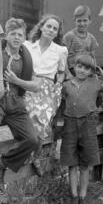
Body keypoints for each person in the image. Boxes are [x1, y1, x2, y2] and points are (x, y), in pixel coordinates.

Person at [0, 18, 41, 192]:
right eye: (13, 34)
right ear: (6, 36)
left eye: (20, 34)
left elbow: (36, 85)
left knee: (32, 139)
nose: (17, 37)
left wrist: (17, 80)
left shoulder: (25, 56)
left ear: (24, 37)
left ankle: (1, 164)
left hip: (16, 101)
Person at [60, 54, 103, 204]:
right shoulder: (67, 85)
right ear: (75, 66)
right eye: (80, 66)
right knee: (72, 164)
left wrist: (102, 73)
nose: (82, 70)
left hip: (88, 124)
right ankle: (73, 197)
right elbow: (62, 101)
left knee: (85, 165)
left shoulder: (95, 83)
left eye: (87, 68)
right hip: (70, 124)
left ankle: (83, 197)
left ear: (91, 71)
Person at [23, 14, 68, 172]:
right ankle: (22, 155)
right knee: (28, 123)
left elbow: (61, 72)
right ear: (41, 27)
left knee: (42, 126)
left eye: (55, 28)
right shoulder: (28, 45)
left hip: (48, 89)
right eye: (48, 26)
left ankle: (35, 157)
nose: (51, 30)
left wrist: (58, 85)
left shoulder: (61, 51)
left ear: (57, 33)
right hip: (29, 85)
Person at [63, 5, 98, 76]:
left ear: (90, 21)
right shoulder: (69, 36)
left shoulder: (92, 38)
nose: (82, 24)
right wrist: (68, 74)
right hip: (72, 71)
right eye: (79, 21)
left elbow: (93, 57)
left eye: (85, 20)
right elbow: (62, 58)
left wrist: (94, 74)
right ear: (74, 21)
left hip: (87, 71)